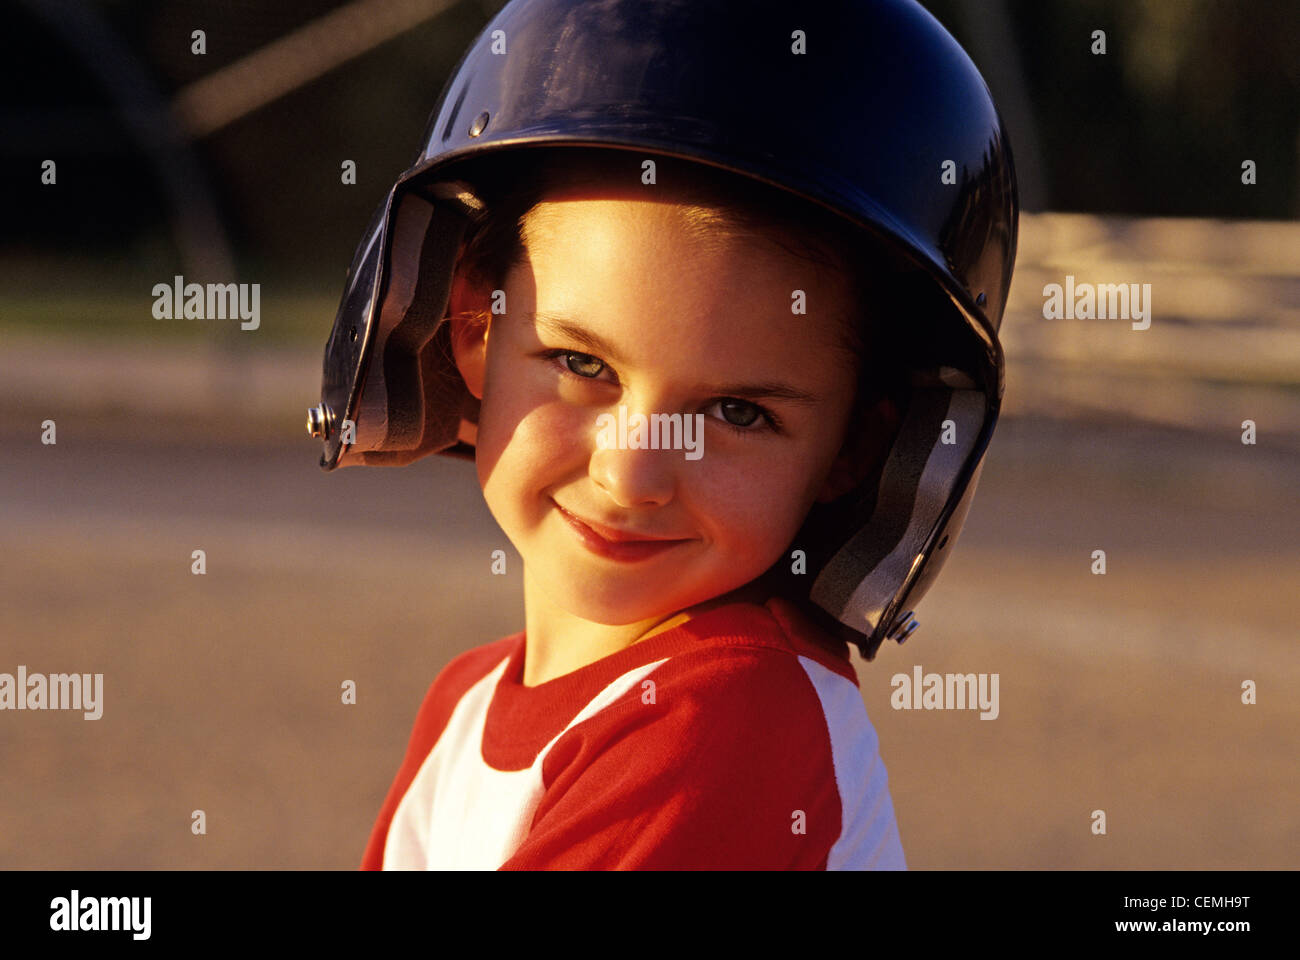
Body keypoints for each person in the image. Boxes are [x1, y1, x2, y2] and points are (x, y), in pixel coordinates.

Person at [308, 0, 1019, 869]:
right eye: (582, 363)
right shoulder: (465, 705)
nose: (634, 472)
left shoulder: (724, 720)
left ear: (854, 454)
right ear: (473, 330)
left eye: (739, 414)